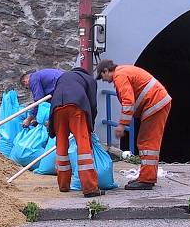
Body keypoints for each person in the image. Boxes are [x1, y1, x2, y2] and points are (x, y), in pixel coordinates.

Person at [96, 60, 172, 190]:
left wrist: (121, 125)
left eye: (102, 76)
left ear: (106, 71)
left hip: (154, 104)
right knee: (146, 141)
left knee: (147, 142)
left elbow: (128, 102)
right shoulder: (123, 71)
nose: (103, 80)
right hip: (155, 103)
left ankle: (146, 180)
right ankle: (146, 176)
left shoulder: (119, 76)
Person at [48, 67, 104, 198]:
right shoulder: (89, 80)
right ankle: (90, 188)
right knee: (83, 144)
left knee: (61, 144)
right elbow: (92, 105)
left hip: (57, 108)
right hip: (76, 107)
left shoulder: (63, 77)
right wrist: (91, 127)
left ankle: (63, 185)